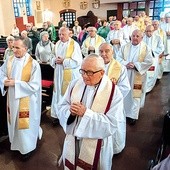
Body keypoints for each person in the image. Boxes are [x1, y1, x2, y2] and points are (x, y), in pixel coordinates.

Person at [57, 54, 124, 170]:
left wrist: (86, 114)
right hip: (73, 139)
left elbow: (112, 124)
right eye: (82, 71)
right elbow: (61, 106)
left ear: (102, 73)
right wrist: (70, 112)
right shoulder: (75, 84)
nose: (84, 76)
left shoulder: (114, 93)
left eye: (90, 72)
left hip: (97, 143)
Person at [0, 37, 42, 161]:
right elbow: (1, 73)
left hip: (27, 101)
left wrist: (16, 84)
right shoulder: (9, 60)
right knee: (14, 123)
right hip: (12, 99)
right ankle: (16, 144)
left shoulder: (33, 64)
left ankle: (27, 148)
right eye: (13, 47)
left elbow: (35, 85)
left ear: (26, 48)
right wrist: (3, 81)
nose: (14, 50)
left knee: (25, 126)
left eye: (17, 48)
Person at [99, 42, 131, 154]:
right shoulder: (95, 66)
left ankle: (116, 148)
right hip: (98, 104)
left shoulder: (120, 67)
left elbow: (125, 87)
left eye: (106, 51)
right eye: (101, 51)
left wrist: (110, 95)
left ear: (112, 52)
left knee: (115, 126)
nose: (103, 54)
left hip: (113, 104)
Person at [117, 29, 153, 125]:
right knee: (125, 93)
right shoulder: (124, 47)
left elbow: (149, 61)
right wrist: (125, 64)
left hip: (138, 75)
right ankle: (124, 113)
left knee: (135, 95)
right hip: (125, 74)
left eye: (137, 36)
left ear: (141, 38)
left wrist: (136, 65)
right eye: (133, 36)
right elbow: (118, 58)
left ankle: (133, 115)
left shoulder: (146, 48)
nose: (135, 38)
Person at [50, 27, 82, 125]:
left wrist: (64, 61)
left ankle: (67, 115)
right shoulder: (57, 44)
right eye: (59, 34)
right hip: (58, 72)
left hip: (69, 73)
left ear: (69, 34)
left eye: (63, 34)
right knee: (57, 93)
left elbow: (77, 61)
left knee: (67, 94)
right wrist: (54, 61)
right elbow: (51, 57)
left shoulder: (74, 45)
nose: (61, 36)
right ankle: (57, 115)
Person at [143, 25, 164, 93]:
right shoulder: (142, 37)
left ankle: (149, 87)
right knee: (145, 73)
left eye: (150, 31)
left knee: (151, 74)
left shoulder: (158, 37)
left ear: (153, 31)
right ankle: (144, 87)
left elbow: (161, 47)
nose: (149, 33)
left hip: (153, 58)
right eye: (147, 31)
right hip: (144, 58)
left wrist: (153, 52)